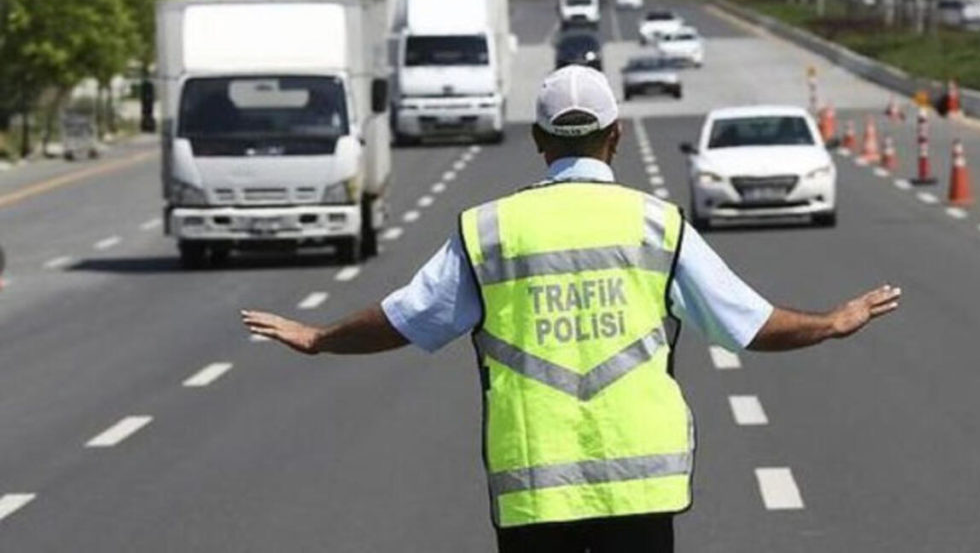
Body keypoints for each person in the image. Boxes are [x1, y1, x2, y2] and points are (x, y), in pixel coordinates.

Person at [241, 65, 901, 552]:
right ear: (615, 136)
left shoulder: (490, 230)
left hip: (534, 492)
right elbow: (747, 322)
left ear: (538, 139)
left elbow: (407, 317)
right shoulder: (656, 225)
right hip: (642, 488)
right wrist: (832, 323)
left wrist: (320, 336)